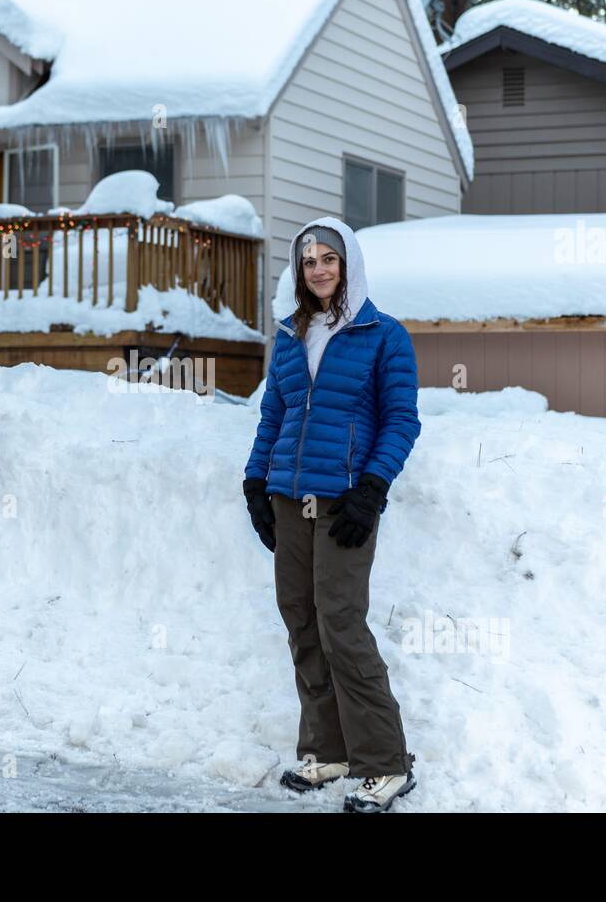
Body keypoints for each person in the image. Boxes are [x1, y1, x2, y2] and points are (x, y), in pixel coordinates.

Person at [243, 216, 421, 814]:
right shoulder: (291, 334)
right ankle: (328, 750)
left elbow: (401, 420)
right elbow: (275, 414)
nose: (318, 269)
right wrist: (254, 480)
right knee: (300, 617)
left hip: (346, 497)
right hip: (290, 497)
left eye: (329, 259)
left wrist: (372, 488)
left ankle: (386, 762)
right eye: (309, 261)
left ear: (350, 265)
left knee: (341, 622)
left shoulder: (382, 334)